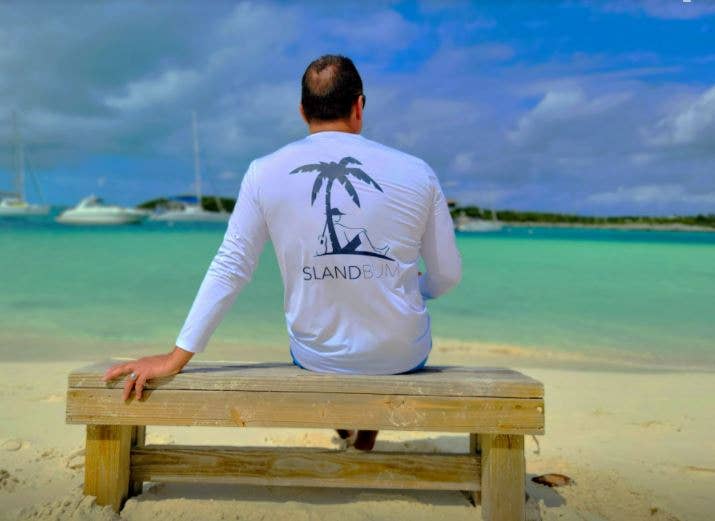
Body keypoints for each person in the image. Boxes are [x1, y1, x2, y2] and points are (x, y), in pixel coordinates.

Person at [103, 55, 462, 451]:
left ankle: (350, 425)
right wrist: (413, 287)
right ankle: (365, 432)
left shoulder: (264, 171)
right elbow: (447, 275)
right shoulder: (417, 171)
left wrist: (175, 357)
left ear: (302, 111)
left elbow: (231, 267)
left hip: (318, 356)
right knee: (386, 331)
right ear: (359, 107)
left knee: (320, 339)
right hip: (402, 354)